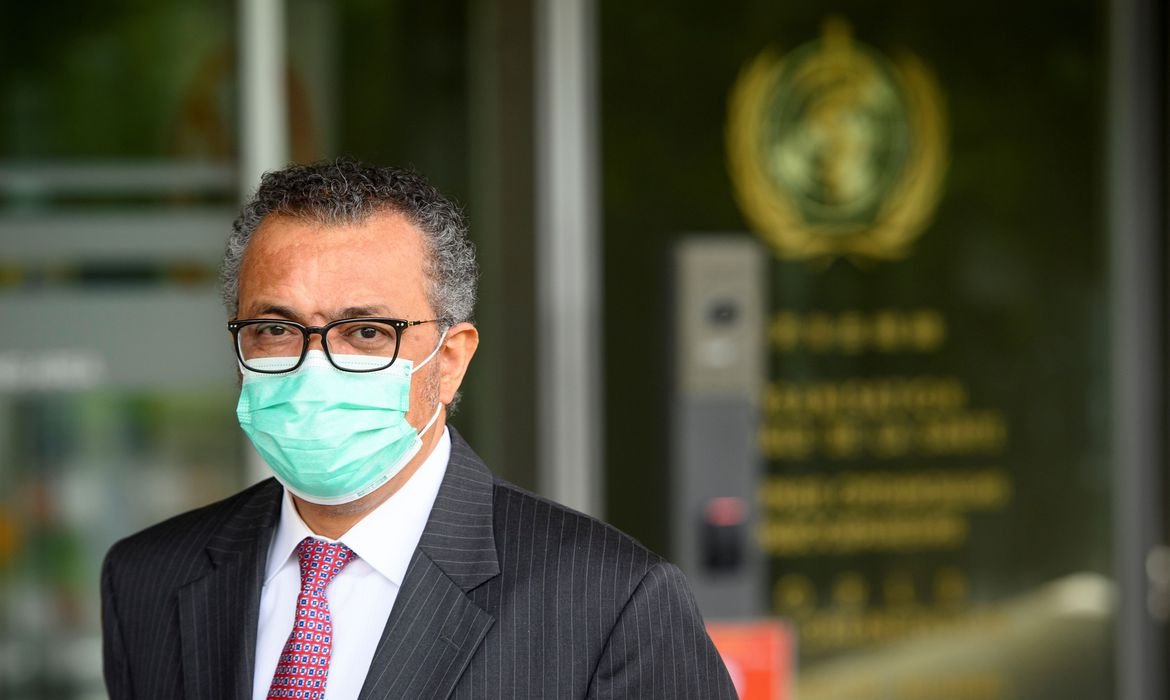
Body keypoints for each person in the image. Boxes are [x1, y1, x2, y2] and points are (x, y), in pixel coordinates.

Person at [100, 160, 737, 699]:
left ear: (451, 360)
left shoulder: (610, 604)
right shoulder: (147, 581)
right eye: (275, 329)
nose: (315, 363)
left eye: (366, 332)